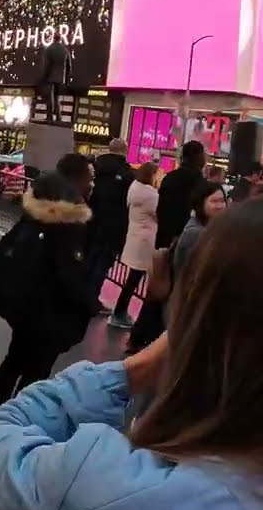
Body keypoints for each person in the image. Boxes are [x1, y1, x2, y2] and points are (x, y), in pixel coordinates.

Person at [0, 201, 263, 510]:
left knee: (20, 362)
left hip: (42, 323)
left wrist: (135, 370)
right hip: (50, 315)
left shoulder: (124, 490)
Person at [0, 171, 95, 414]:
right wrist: (89, 304)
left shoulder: (30, 219)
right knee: (36, 371)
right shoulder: (68, 228)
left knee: (14, 360)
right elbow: (70, 277)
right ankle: (15, 417)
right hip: (50, 315)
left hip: (22, 308)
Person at [134, 142, 206, 352]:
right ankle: (161, 340)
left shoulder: (171, 178)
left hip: (164, 240)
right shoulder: (197, 182)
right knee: (174, 292)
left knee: (157, 289)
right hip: (181, 242)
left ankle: (140, 335)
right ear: (197, 157)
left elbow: (161, 209)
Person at [85, 139, 134, 314]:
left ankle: (80, 294)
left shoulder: (95, 167)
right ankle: (91, 300)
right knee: (103, 263)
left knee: (89, 258)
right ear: (125, 150)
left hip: (92, 219)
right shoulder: (127, 173)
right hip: (114, 224)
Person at [111, 162, 161, 329]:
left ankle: (119, 311)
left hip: (135, 236)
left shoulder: (134, 188)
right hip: (146, 239)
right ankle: (120, 312)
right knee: (136, 280)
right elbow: (158, 215)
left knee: (132, 279)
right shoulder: (151, 195)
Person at [171, 181, 227, 283]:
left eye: (222, 201)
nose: (220, 206)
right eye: (214, 201)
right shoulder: (195, 233)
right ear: (200, 203)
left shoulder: (210, 227)